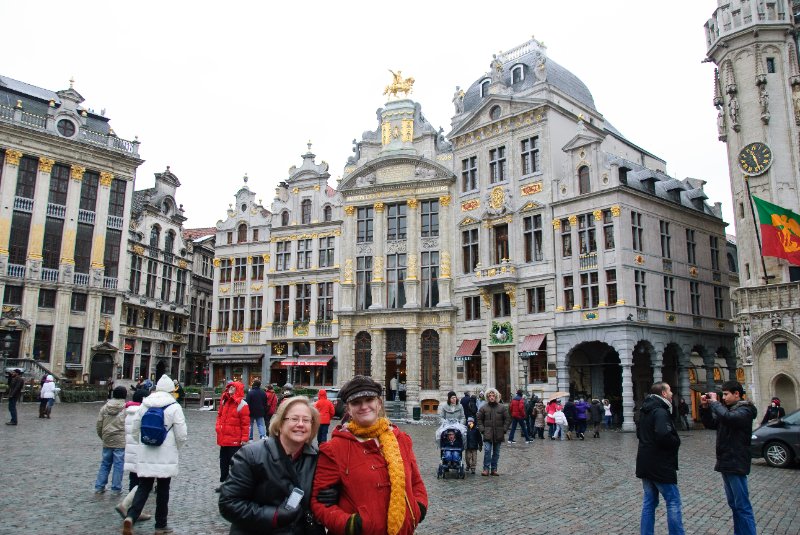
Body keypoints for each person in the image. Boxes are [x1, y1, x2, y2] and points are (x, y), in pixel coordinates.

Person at [311, 375, 428, 535]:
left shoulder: (401, 440)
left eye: (369, 400)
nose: (364, 406)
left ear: (379, 404)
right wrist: (352, 525)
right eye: (356, 402)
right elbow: (320, 504)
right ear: (348, 409)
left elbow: (416, 483)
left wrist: (418, 509)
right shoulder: (333, 449)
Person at [219, 395, 334, 535]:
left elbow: (319, 501)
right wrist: (273, 516)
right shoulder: (251, 455)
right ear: (280, 423)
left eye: (306, 420)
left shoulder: (318, 458)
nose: (300, 424)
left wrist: (330, 496)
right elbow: (229, 504)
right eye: (294, 419)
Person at [122, 374, 188, 535]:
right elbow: (181, 434)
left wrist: (141, 443)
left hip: (147, 449)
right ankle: (160, 525)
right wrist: (176, 447)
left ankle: (131, 516)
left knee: (144, 486)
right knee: (163, 489)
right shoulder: (174, 406)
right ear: (172, 390)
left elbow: (135, 428)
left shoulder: (145, 404)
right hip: (166, 453)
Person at [699, 381, 758, 535]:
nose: (723, 397)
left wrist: (715, 403)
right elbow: (711, 424)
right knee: (734, 504)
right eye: (722, 394)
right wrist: (705, 408)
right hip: (726, 462)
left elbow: (729, 418)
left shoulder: (745, 410)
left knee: (742, 506)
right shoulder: (728, 410)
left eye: (726, 394)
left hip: (736, 462)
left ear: (736, 394)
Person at [636, 382, 684, 535]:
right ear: (663, 393)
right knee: (673, 502)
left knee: (649, 503)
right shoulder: (661, 411)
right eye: (670, 390)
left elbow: (639, 434)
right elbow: (664, 435)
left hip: (645, 462)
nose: (671, 394)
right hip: (660, 464)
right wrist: (676, 441)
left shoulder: (644, 410)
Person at [115, 389, 152, 522]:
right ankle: (126, 505)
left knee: (134, 481)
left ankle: (135, 510)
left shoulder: (127, 412)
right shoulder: (142, 413)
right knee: (144, 484)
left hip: (130, 451)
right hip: (140, 451)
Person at [216, 381, 251, 492]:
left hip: (235, 440)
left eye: (233, 387)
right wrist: (218, 427)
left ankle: (235, 486)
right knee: (223, 463)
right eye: (229, 387)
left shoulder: (242, 404)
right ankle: (225, 484)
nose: (230, 388)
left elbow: (245, 424)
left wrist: (244, 439)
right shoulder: (225, 400)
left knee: (235, 465)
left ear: (238, 389)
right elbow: (220, 415)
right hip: (224, 439)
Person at [95, 386, 128, 495]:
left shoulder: (105, 407)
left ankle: (99, 486)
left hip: (107, 438)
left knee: (105, 463)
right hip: (120, 440)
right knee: (119, 465)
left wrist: (103, 436)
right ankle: (116, 488)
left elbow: (99, 424)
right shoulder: (125, 408)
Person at [476, 388, 510, 476]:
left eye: (493, 395)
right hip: (487, 433)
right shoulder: (483, 408)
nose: (491, 397)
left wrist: (504, 429)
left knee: (496, 452)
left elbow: (507, 419)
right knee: (487, 450)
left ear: (496, 396)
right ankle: (486, 469)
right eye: (490, 396)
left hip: (499, 433)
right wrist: (482, 429)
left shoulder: (502, 407)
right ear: (487, 397)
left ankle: (494, 469)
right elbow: (479, 419)